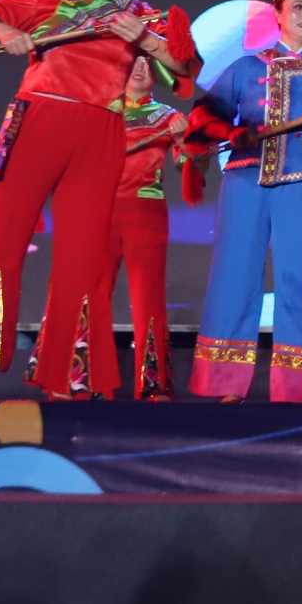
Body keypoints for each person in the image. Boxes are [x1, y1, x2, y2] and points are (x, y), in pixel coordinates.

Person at [0, 0, 198, 402]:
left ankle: (65, 380)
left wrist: (142, 39)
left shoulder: (138, 11)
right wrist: (5, 34)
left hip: (101, 131)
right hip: (39, 120)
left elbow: (184, 66)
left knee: (82, 257)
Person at [187, 0, 302, 402]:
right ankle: (223, 385)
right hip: (245, 180)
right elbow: (202, 117)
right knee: (234, 276)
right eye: (298, 6)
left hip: (301, 185)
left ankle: (297, 390)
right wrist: (233, 131)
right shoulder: (246, 69)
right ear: (278, 14)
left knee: (298, 280)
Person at [105, 54, 195, 401]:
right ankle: (89, 381)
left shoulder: (169, 116)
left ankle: (154, 385)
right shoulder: (101, 111)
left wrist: (185, 140)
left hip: (146, 210)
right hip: (100, 211)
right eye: (132, 62)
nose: (140, 68)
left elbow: (188, 167)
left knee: (148, 299)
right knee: (94, 295)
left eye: (147, 62)